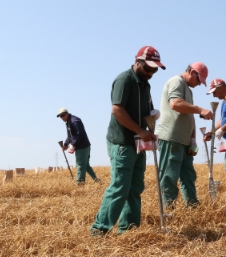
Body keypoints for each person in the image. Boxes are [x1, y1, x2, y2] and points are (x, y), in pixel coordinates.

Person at [90, 46, 164, 235]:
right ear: (137, 62)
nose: (151, 73)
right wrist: (140, 130)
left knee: (135, 187)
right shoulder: (125, 80)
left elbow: (146, 110)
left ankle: (128, 229)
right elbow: (117, 110)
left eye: (155, 70)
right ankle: (100, 229)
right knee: (120, 186)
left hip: (138, 143)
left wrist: (151, 121)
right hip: (122, 142)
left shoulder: (145, 84)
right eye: (149, 68)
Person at [155, 62, 213, 208]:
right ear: (193, 72)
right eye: (199, 80)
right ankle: (168, 211)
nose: (199, 84)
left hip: (184, 141)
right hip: (171, 137)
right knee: (169, 176)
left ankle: (193, 206)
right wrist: (200, 109)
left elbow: (190, 116)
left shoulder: (188, 90)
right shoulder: (176, 81)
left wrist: (193, 141)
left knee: (188, 176)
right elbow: (175, 103)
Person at [58, 108, 99, 184]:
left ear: (67, 113)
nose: (62, 117)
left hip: (82, 146)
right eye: (60, 116)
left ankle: (79, 183)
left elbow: (80, 134)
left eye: (63, 115)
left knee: (80, 165)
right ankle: (97, 181)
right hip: (83, 146)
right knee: (85, 165)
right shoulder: (68, 122)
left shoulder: (75, 121)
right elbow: (70, 136)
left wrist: (73, 144)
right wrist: (66, 144)